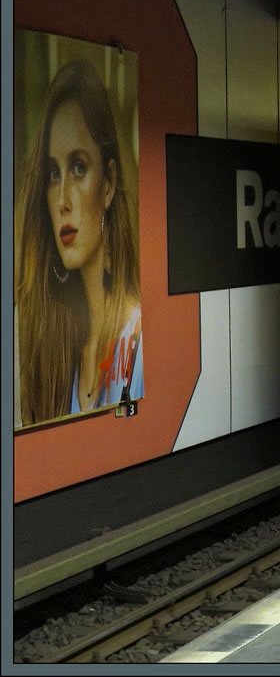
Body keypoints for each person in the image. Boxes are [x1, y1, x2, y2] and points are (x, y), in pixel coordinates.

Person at [16, 58, 143, 426]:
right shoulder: (54, 343)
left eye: (79, 167)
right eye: (53, 173)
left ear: (107, 184)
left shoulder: (137, 340)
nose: (63, 200)